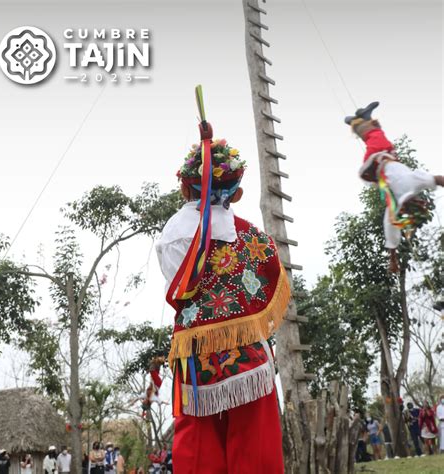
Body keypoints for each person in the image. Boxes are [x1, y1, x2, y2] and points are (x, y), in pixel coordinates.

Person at [155, 87, 290, 473]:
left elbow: (178, 289)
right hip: (247, 353)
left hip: (194, 353)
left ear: (185, 187)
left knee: (196, 447)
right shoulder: (254, 237)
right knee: (255, 445)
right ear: (238, 192)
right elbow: (270, 287)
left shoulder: (173, 235)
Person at [344, 101, 444, 272]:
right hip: (384, 157)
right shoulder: (412, 185)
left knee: (374, 137)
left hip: (377, 164)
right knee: (375, 135)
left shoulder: (394, 210)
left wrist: (393, 261)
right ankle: (362, 117)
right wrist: (393, 261)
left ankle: (360, 119)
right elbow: (439, 179)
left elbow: (392, 239)